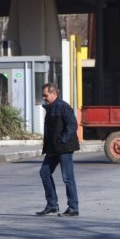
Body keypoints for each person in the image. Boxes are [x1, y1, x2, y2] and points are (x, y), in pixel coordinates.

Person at [36, 82, 80, 217]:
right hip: (53, 149)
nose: (44, 98)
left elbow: (72, 125)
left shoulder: (63, 107)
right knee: (44, 173)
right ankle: (52, 205)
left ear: (54, 94)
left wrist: (62, 140)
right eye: (43, 95)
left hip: (64, 148)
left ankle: (73, 207)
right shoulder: (50, 108)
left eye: (46, 95)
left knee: (67, 178)